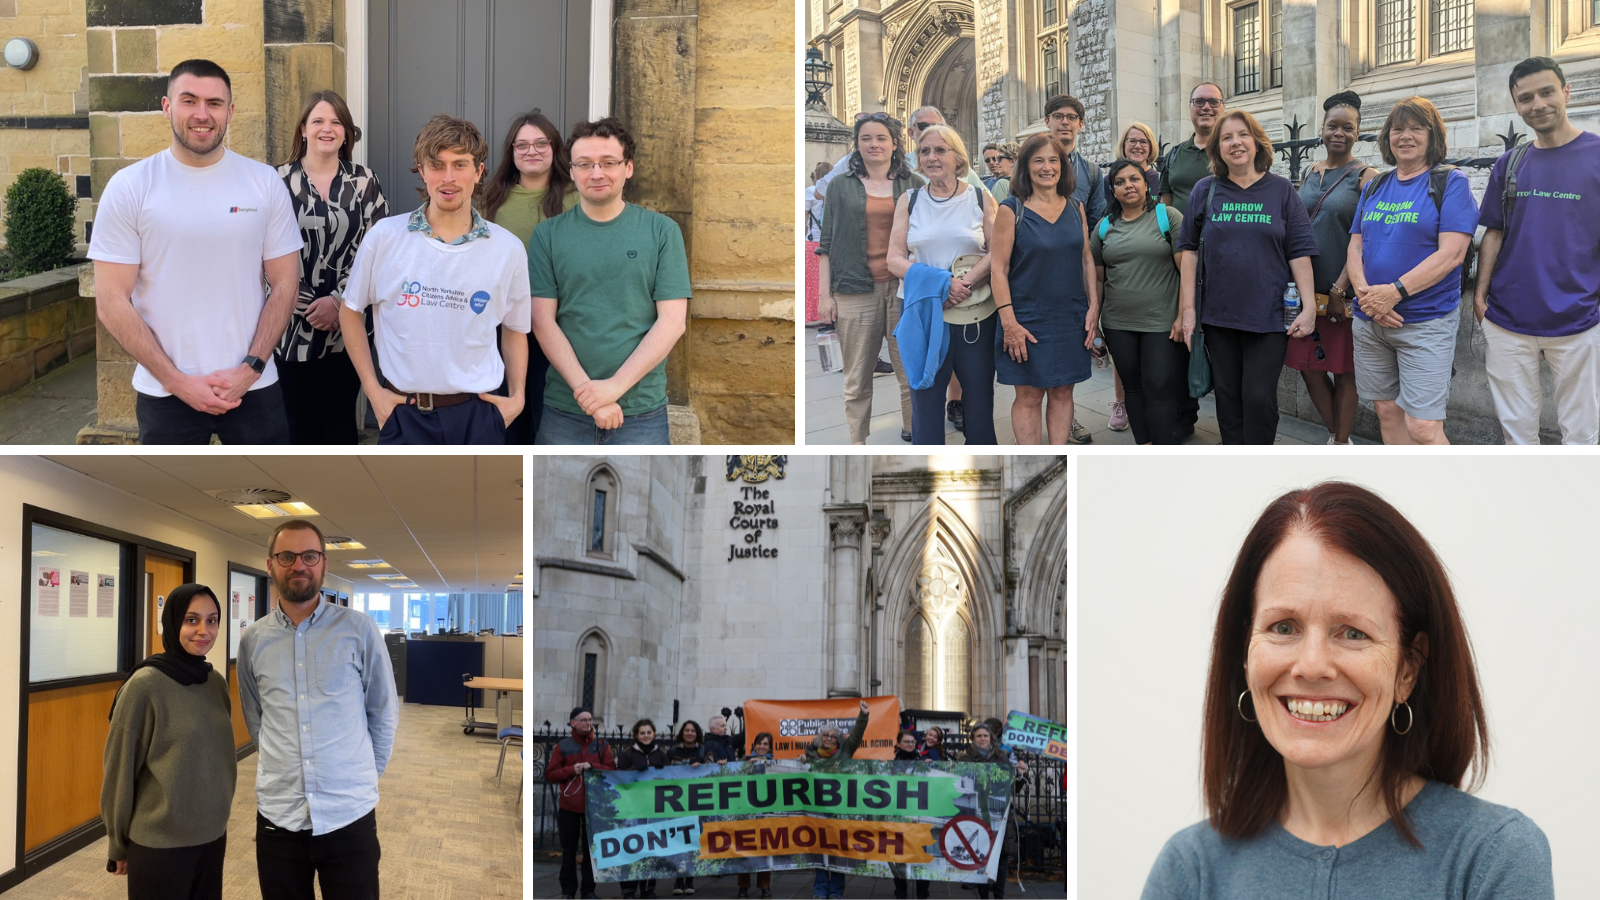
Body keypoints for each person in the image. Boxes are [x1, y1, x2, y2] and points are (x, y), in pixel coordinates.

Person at [1140, 482, 1552, 899]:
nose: (1312, 665)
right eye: (1283, 627)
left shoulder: (1493, 859)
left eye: (1352, 633)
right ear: (1246, 653)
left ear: (1408, 668)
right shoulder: (1189, 871)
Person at [89, 58, 301, 444]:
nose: (202, 114)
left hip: (253, 387)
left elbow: (286, 283)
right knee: (170, 502)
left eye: (214, 103)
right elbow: (111, 301)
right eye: (189, 100)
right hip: (166, 394)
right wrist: (177, 381)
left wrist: (250, 368)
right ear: (167, 107)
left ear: (230, 111)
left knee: (274, 498)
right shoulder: (131, 187)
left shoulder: (264, 182)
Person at [340, 113, 531, 444]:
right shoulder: (385, 237)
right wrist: (373, 391)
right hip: (403, 414)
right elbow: (350, 310)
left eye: (460, 164)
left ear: (478, 172)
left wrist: (517, 398)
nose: (448, 177)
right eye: (437, 165)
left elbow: (515, 330)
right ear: (422, 170)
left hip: (479, 415)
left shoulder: (507, 249)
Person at [238, 518, 399, 900]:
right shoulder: (253, 639)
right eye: (287, 555)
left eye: (309, 555)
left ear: (324, 563)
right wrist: (281, 765)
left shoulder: (359, 629)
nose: (299, 565)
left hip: (349, 813)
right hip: (280, 815)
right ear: (271, 565)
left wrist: (357, 774)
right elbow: (256, 717)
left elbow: (383, 712)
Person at [531, 117, 691, 444]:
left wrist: (614, 387)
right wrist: (587, 394)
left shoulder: (661, 232)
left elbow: (673, 322)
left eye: (608, 162)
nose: (597, 173)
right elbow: (542, 321)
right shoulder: (547, 235)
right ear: (572, 171)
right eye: (585, 164)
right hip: (566, 409)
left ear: (628, 167)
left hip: (641, 410)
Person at [1475, 57, 1600, 445]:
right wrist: (1479, 297)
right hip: (1508, 319)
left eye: (1547, 92)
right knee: (1517, 437)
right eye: (1526, 97)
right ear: (1516, 106)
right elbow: (1493, 231)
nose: (1538, 104)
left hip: (1580, 319)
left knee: (1582, 436)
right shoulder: (1510, 162)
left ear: (1566, 92)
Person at [1177, 110, 1317, 444]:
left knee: (1258, 397)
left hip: (1268, 317)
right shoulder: (1205, 189)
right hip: (1218, 316)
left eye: (1242, 135)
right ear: (1217, 148)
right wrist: (1188, 311)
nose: (1235, 142)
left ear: (1256, 142)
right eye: (1226, 137)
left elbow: (1299, 251)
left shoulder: (1281, 190)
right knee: (1227, 399)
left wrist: (1309, 306)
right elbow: (1188, 252)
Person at [1346, 97, 1477, 446]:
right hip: (1370, 320)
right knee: (1387, 412)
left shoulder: (1451, 182)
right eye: (1398, 128)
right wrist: (1365, 295)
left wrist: (1393, 293)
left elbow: (1453, 254)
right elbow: (1355, 246)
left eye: (1416, 128)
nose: (1406, 136)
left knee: (1422, 428)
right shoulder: (1375, 185)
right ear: (1387, 137)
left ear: (1432, 136)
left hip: (1424, 322)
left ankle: (1448, 497)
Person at [102, 584, 234, 900]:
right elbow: (119, 771)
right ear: (173, 624)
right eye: (192, 620)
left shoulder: (214, 682)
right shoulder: (145, 685)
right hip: (161, 842)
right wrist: (117, 842)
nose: (204, 630)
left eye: (212, 620)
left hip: (213, 835)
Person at [274, 90, 389, 445]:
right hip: (290, 330)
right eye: (319, 121)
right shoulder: (276, 182)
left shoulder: (364, 182)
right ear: (303, 130)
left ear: (346, 133)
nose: (328, 128)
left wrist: (338, 301)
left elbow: (377, 252)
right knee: (296, 428)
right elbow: (262, 255)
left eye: (336, 122)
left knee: (340, 425)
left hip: (348, 329)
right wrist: (309, 306)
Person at [816, 113, 922, 443]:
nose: (873, 144)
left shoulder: (914, 184)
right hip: (853, 291)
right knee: (858, 376)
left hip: (904, 290)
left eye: (880, 138)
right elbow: (827, 243)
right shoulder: (840, 186)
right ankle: (857, 442)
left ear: (894, 143)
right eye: (866, 138)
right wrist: (824, 295)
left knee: (910, 373)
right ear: (857, 145)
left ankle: (913, 430)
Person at [889, 124, 997, 445]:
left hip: (973, 313)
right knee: (925, 399)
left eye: (940, 150)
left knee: (978, 398)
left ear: (958, 156)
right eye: (924, 151)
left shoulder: (980, 197)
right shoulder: (909, 200)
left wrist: (964, 283)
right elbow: (894, 259)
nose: (931, 157)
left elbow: (997, 251)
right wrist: (942, 285)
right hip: (924, 313)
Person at [481, 110, 580, 444]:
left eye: (541, 143)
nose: (531, 151)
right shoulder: (490, 201)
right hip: (501, 326)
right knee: (505, 413)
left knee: (545, 409)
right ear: (511, 152)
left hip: (556, 325)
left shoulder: (575, 199)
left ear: (554, 148)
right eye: (521, 145)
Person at [993, 132, 1098, 444]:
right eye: (1038, 160)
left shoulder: (1076, 207)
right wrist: (1008, 322)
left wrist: (1094, 308)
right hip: (1025, 317)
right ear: (1026, 166)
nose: (1047, 167)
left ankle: (1060, 460)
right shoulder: (1011, 209)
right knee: (1028, 395)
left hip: (1071, 316)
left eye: (1054, 160)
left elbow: (1087, 260)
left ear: (1063, 167)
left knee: (1064, 391)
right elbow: (997, 269)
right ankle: (1031, 463)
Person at [1289, 92, 1377, 446]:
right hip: (1305, 291)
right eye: (1332, 126)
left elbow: (1367, 238)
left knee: (1344, 373)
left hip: (1343, 294)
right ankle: (1334, 434)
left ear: (1358, 133)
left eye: (1347, 127)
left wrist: (1342, 289)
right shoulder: (1310, 172)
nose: (1339, 133)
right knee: (1309, 369)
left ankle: (1341, 444)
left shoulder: (1367, 177)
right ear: (1321, 130)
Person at [1092, 159, 1187, 444]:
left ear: (1147, 184)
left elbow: (1187, 271)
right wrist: (1094, 324)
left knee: (1159, 385)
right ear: (1113, 190)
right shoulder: (1104, 227)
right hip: (1118, 322)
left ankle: (1162, 446)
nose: (1127, 186)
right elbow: (1097, 279)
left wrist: (1184, 315)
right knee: (1132, 387)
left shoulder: (1167, 217)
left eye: (1134, 179)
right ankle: (1143, 443)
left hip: (1161, 321)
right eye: (1119, 182)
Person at [1043, 94, 1109, 443]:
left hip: (1075, 271)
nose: (1064, 122)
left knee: (1070, 352)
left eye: (1071, 117)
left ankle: (1067, 421)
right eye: (1058, 116)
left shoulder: (1092, 171)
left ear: (1081, 124)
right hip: (1037, 275)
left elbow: (1098, 220)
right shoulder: (1031, 163)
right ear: (1047, 122)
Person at [546, 706, 616, 900]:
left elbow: (611, 769)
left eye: (589, 720)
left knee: (590, 852)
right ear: (573, 723)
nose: (588, 723)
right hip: (569, 807)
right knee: (568, 851)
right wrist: (572, 770)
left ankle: (588, 891)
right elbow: (550, 774)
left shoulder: (602, 745)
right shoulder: (563, 746)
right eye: (583, 720)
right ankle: (567, 891)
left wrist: (592, 766)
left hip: (594, 807)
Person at [804, 701, 871, 899]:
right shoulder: (810, 755)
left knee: (839, 850)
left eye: (834, 736)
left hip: (840, 809)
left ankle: (836, 892)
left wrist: (863, 714)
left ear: (838, 740)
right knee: (820, 849)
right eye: (826, 735)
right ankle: (820, 891)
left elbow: (857, 733)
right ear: (820, 737)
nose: (830, 739)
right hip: (817, 809)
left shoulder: (846, 751)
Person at [959, 723, 1029, 900]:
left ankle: (999, 895)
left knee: (1002, 857)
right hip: (977, 814)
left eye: (985, 736)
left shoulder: (1002, 758)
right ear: (973, 738)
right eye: (979, 736)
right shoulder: (965, 759)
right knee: (980, 857)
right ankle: (983, 896)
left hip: (1000, 815)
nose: (982, 739)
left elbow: (1012, 788)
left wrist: (1020, 774)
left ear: (991, 738)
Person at [617, 719, 667, 900]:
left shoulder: (661, 754)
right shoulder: (628, 754)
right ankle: (628, 889)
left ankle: (648, 887)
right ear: (636, 735)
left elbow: (671, 780)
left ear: (654, 733)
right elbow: (618, 778)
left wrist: (664, 772)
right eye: (642, 733)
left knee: (651, 848)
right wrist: (633, 770)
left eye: (649, 732)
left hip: (653, 808)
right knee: (631, 847)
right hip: (632, 808)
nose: (646, 736)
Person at [1159, 83, 1224, 215]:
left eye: (1213, 102)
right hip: (1179, 234)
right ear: (1189, 107)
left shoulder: (1232, 153)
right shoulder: (1173, 155)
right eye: (1199, 101)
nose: (1206, 107)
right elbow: (1165, 203)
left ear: (1223, 108)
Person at [667, 721, 707, 896]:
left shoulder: (703, 751)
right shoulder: (672, 751)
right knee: (677, 840)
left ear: (697, 733)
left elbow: (712, 771)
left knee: (691, 841)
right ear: (682, 733)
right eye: (686, 730)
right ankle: (678, 879)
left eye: (692, 731)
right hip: (676, 803)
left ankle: (689, 878)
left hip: (695, 803)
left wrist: (702, 767)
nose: (689, 733)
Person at [891, 731, 931, 900]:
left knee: (921, 856)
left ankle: (922, 893)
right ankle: (901, 892)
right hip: (899, 818)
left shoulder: (924, 763)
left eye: (913, 742)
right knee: (899, 856)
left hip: (920, 818)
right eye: (906, 741)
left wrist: (933, 767)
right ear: (898, 744)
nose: (910, 744)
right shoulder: (890, 765)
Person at [736, 733, 776, 899]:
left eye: (765, 744)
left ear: (769, 747)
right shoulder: (744, 761)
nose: (762, 747)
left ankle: (765, 887)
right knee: (744, 850)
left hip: (765, 813)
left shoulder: (774, 763)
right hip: (747, 813)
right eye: (759, 743)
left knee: (764, 851)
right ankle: (743, 887)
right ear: (754, 745)